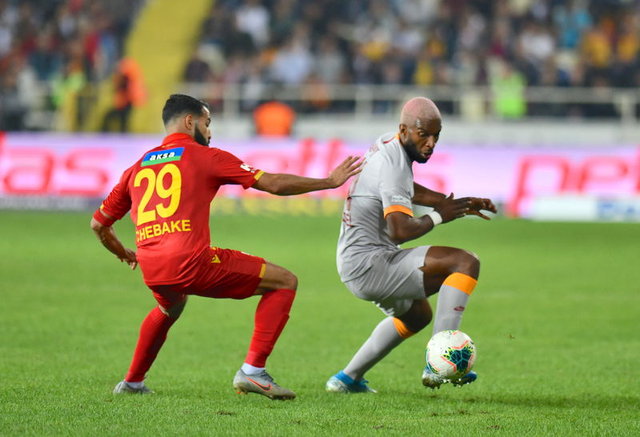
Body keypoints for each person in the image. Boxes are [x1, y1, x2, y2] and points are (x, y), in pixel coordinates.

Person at [90, 94, 361, 400]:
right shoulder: (207, 157)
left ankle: (132, 382)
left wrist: (124, 253)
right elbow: (272, 184)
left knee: (169, 307)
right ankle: (253, 371)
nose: (210, 131)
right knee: (284, 281)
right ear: (190, 121)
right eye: (207, 123)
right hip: (190, 261)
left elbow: (98, 224)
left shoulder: (137, 167)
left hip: (152, 267)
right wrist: (328, 182)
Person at [326, 97, 496, 393]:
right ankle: (440, 362)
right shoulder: (393, 163)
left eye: (436, 136)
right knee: (464, 262)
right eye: (424, 135)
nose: (431, 144)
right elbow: (400, 231)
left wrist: (454, 203)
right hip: (370, 264)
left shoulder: (388, 144)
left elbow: (402, 187)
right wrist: (440, 215)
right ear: (404, 130)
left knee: (417, 316)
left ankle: (346, 379)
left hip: (355, 262)